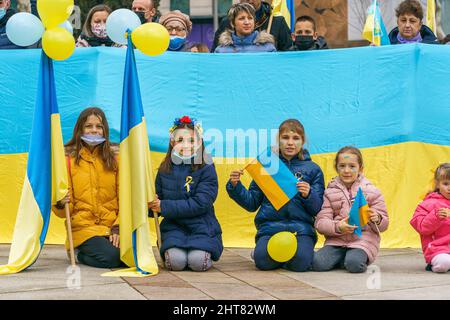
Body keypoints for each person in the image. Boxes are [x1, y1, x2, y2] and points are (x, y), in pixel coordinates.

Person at [227, 119, 325, 271]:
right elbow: (252, 203)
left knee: (300, 264)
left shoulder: (313, 169)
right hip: (269, 228)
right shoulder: (268, 165)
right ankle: (261, 251)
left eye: (295, 138)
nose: (290, 143)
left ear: (303, 141)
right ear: (278, 140)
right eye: (285, 138)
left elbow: (317, 208)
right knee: (263, 263)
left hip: (300, 229)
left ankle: (302, 252)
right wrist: (235, 186)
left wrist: (308, 194)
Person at [148, 116, 223, 272]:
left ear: (199, 142)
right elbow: (157, 203)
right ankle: (174, 251)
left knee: (197, 262)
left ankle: (202, 253)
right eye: (180, 140)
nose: (186, 145)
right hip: (174, 227)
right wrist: (151, 204)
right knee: (176, 263)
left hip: (201, 227)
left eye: (191, 141)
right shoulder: (164, 169)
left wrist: (164, 206)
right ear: (172, 143)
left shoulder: (207, 167)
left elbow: (201, 203)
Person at [53, 107, 124, 269]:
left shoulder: (116, 158)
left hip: (111, 227)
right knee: (112, 258)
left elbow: (124, 197)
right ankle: (78, 253)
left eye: (99, 127)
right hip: (84, 229)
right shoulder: (67, 159)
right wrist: (60, 203)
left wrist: (118, 228)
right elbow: (64, 211)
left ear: (104, 130)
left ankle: (105, 247)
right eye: (89, 126)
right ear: (80, 129)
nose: (94, 130)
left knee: (133, 257)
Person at [313, 146, 389, 273]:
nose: (346, 170)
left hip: (363, 241)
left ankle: (351, 259)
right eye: (342, 166)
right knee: (316, 263)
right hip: (336, 241)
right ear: (336, 167)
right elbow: (320, 223)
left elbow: (384, 225)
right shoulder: (329, 192)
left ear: (361, 168)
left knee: (354, 264)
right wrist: (338, 227)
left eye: (352, 166)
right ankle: (342, 259)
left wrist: (378, 218)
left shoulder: (372, 191)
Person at [410, 163, 450, 273]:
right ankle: (433, 264)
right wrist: (435, 216)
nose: (449, 188)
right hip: (437, 249)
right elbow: (421, 227)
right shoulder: (428, 203)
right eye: (446, 184)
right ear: (437, 184)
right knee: (444, 263)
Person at [211, 0, 292, 52]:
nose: (247, 22)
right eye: (241, 18)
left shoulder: (277, 22)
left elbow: (288, 56)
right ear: (233, 23)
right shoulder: (226, 22)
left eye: (250, 18)